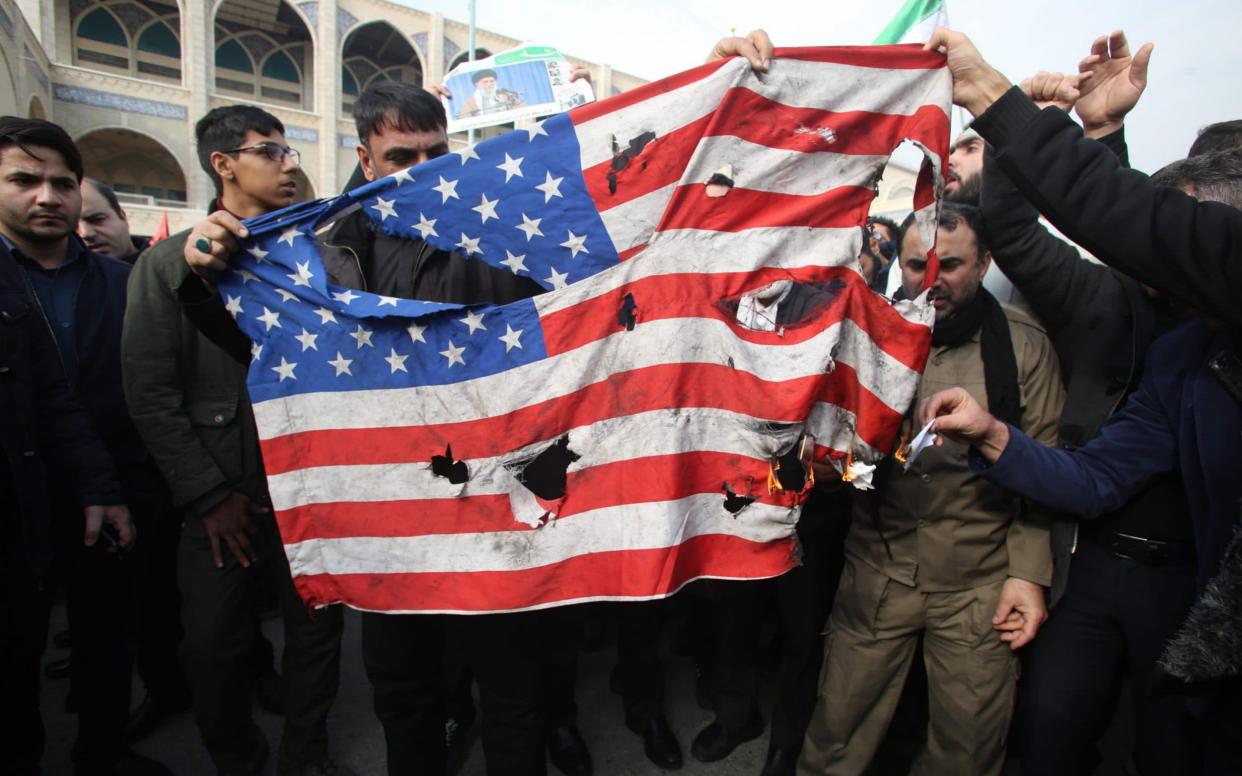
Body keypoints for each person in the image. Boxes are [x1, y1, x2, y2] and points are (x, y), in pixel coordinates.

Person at [980, 66, 1198, 774]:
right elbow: (1011, 226)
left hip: (1196, 581)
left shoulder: (1219, 331)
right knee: (1050, 730)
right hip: (1091, 562)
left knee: (1173, 746)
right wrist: (1044, 124)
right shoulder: (1098, 296)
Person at [121, 105, 350, 776]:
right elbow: (150, 394)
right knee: (213, 645)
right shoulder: (166, 265)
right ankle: (237, 760)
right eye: (272, 152)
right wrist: (208, 494)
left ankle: (305, 755)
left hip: (306, 483)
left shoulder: (312, 260)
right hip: (222, 497)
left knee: (317, 629)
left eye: (290, 153)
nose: (291, 164)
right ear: (224, 164)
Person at [799, 202, 1064, 776]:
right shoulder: (867, 335)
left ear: (985, 262)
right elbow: (833, 448)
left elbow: (1045, 473)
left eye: (952, 265)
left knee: (967, 750)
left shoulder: (1024, 349)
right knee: (836, 734)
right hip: (879, 567)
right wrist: (828, 464)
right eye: (917, 265)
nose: (931, 280)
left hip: (978, 582)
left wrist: (1028, 575)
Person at [924, 27, 1242, 329]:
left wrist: (989, 95)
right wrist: (1105, 130)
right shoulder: (1105, 303)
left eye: (1191, 226)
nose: (1171, 238)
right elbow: (1128, 220)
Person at [0, 116, 140, 776]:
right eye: (24, 180)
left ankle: (104, 754)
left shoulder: (122, 282)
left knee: (106, 640)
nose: (47, 197)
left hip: (108, 495)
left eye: (62, 182)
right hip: (18, 501)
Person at [78, 178, 147, 262]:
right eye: (72, 228)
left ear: (122, 216)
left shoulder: (164, 268)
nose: (85, 234)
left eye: (97, 219)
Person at [457, 69, 525, 119]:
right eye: (485, 82)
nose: (489, 84)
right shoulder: (470, 103)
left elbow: (522, 110)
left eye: (492, 81)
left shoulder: (505, 95)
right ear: (477, 84)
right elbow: (463, 119)